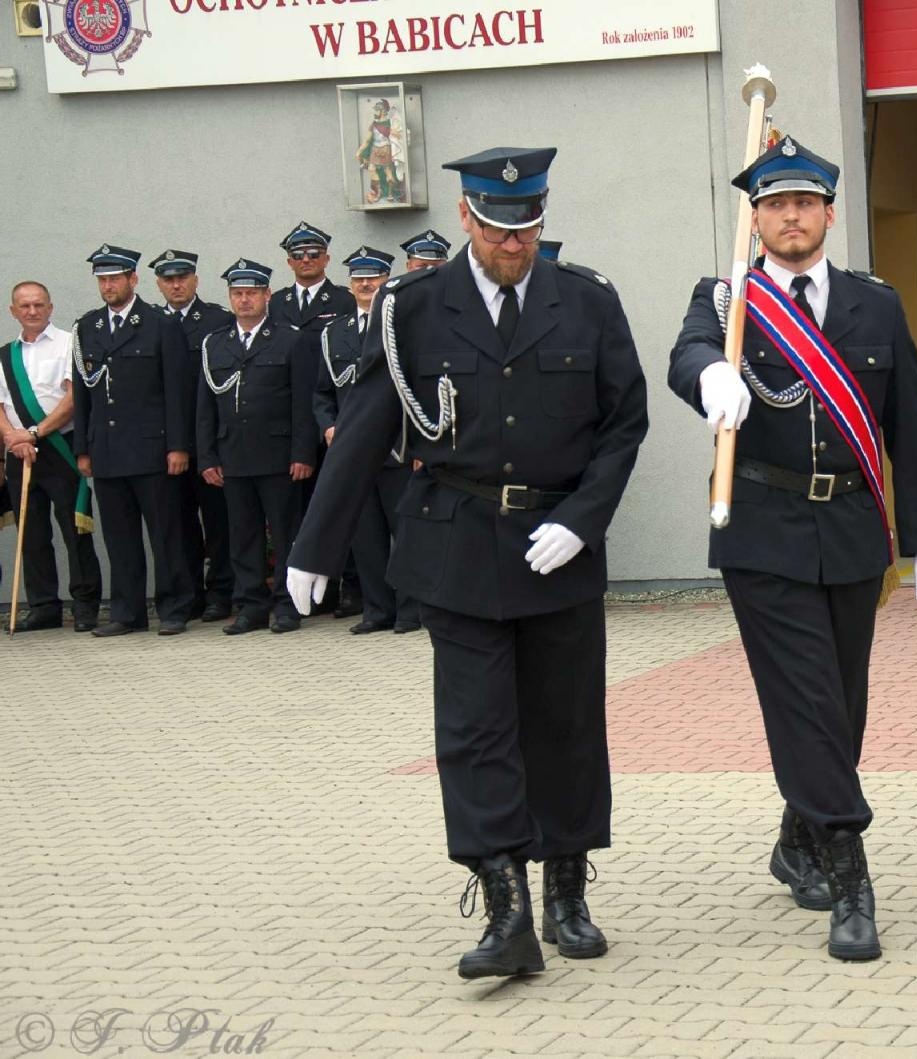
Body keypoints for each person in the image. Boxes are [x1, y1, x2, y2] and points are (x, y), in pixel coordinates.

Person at [284, 147, 649, 980]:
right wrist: (314, 545)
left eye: (525, 227)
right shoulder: (414, 307)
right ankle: (505, 907)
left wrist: (583, 520)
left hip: (557, 546)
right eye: (494, 227)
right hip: (456, 543)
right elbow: (368, 422)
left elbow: (623, 425)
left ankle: (565, 888)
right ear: (465, 219)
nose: (511, 242)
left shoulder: (587, 302)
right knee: (475, 732)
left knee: (563, 727)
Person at [667, 136, 917, 962]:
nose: (790, 216)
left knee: (842, 703)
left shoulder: (877, 304)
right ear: (754, 219)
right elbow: (687, 353)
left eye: (804, 203)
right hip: (762, 531)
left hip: (854, 531)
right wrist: (707, 379)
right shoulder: (729, 298)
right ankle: (849, 869)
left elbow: (911, 430)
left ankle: (796, 837)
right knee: (808, 703)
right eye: (774, 204)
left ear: (829, 212)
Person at [70, 246, 195, 636]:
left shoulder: (159, 325)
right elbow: (82, 393)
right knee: (120, 537)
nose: (108, 286)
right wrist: (83, 448)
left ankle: (175, 606)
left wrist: (178, 446)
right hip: (106, 449)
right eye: (102, 280)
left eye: (115, 278)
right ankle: (127, 612)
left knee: (165, 533)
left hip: (152, 448)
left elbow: (177, 392)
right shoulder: (86, 328)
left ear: (133, 279)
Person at [196, 259, 317, 634]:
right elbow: (205, 407)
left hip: (278, 455)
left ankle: (287, 604)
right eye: (237, 293)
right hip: (232, 455)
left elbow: (303, 401)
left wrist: (302, 452)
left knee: (285, 533)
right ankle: (251, 605)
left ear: (267, 295)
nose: (244, 300)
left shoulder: (290, 339)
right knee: (242, 533)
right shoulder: (215, 344)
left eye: (251, 293)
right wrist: (207, 455)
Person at [312, 245, 420, 634]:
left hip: (397, 449)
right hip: (354, 454)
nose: (365, 284)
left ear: (385, 282)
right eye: (358, 279)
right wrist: (327, 425)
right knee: (365, 536)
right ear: (350, 284)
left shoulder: (401, 327)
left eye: (372, 278)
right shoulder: (333, 334)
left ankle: (410, 610)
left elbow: (416, 391)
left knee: (403, 532)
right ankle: (377, 610)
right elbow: (323, 392)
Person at [270, 220, 361, 615]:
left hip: (337, 423)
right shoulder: (275, 306)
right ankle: (303, 593)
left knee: (347, 506)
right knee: (300, 511)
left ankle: (349, 588)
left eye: (314, 254)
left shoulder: (343, 301)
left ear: (326, 258)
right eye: (298, 255)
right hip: (292, 424)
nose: (306, 260)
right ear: (289, 262)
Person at [2, 281, 102, 632]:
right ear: (13, 311)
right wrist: (14, 439)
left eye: (39, 305)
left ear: (50, 307)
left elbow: (73, 400)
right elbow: (0, 407)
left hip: (61, 447)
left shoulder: (68, 344)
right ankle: (43, 606)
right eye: (25, 306)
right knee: (31, 532)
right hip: (20, 453)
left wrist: (33, 433)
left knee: (75, 529)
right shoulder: (5, 355)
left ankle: (86, 604)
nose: (32, 311)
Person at [152, 250, 236, 622]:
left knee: (218, 522)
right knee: (178, 524)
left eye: (183, 277)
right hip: (166, 443)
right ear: (159, 284)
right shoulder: (150, 323)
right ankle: (189, 594)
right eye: (169, 279)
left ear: (195, 281)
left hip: (210, 440)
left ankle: (221, 592)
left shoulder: (218, 320)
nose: (176, 285)